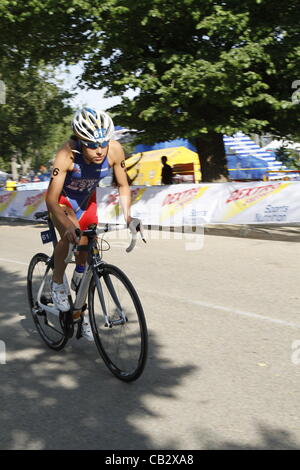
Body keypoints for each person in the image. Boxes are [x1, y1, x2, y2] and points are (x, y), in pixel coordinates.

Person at [46, 107, 134, 341]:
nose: (99, 150)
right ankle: (56, 283)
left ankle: (80, 311)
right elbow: (51, 199)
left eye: (103, 143)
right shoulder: (67, 155)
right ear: (79, 141)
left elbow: (123, 185)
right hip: (62, 203)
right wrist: (66, 225)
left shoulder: (114, 150)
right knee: (71, 231)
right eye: (92, 145)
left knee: (86, 263)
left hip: (87, 202)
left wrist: (128, 217)